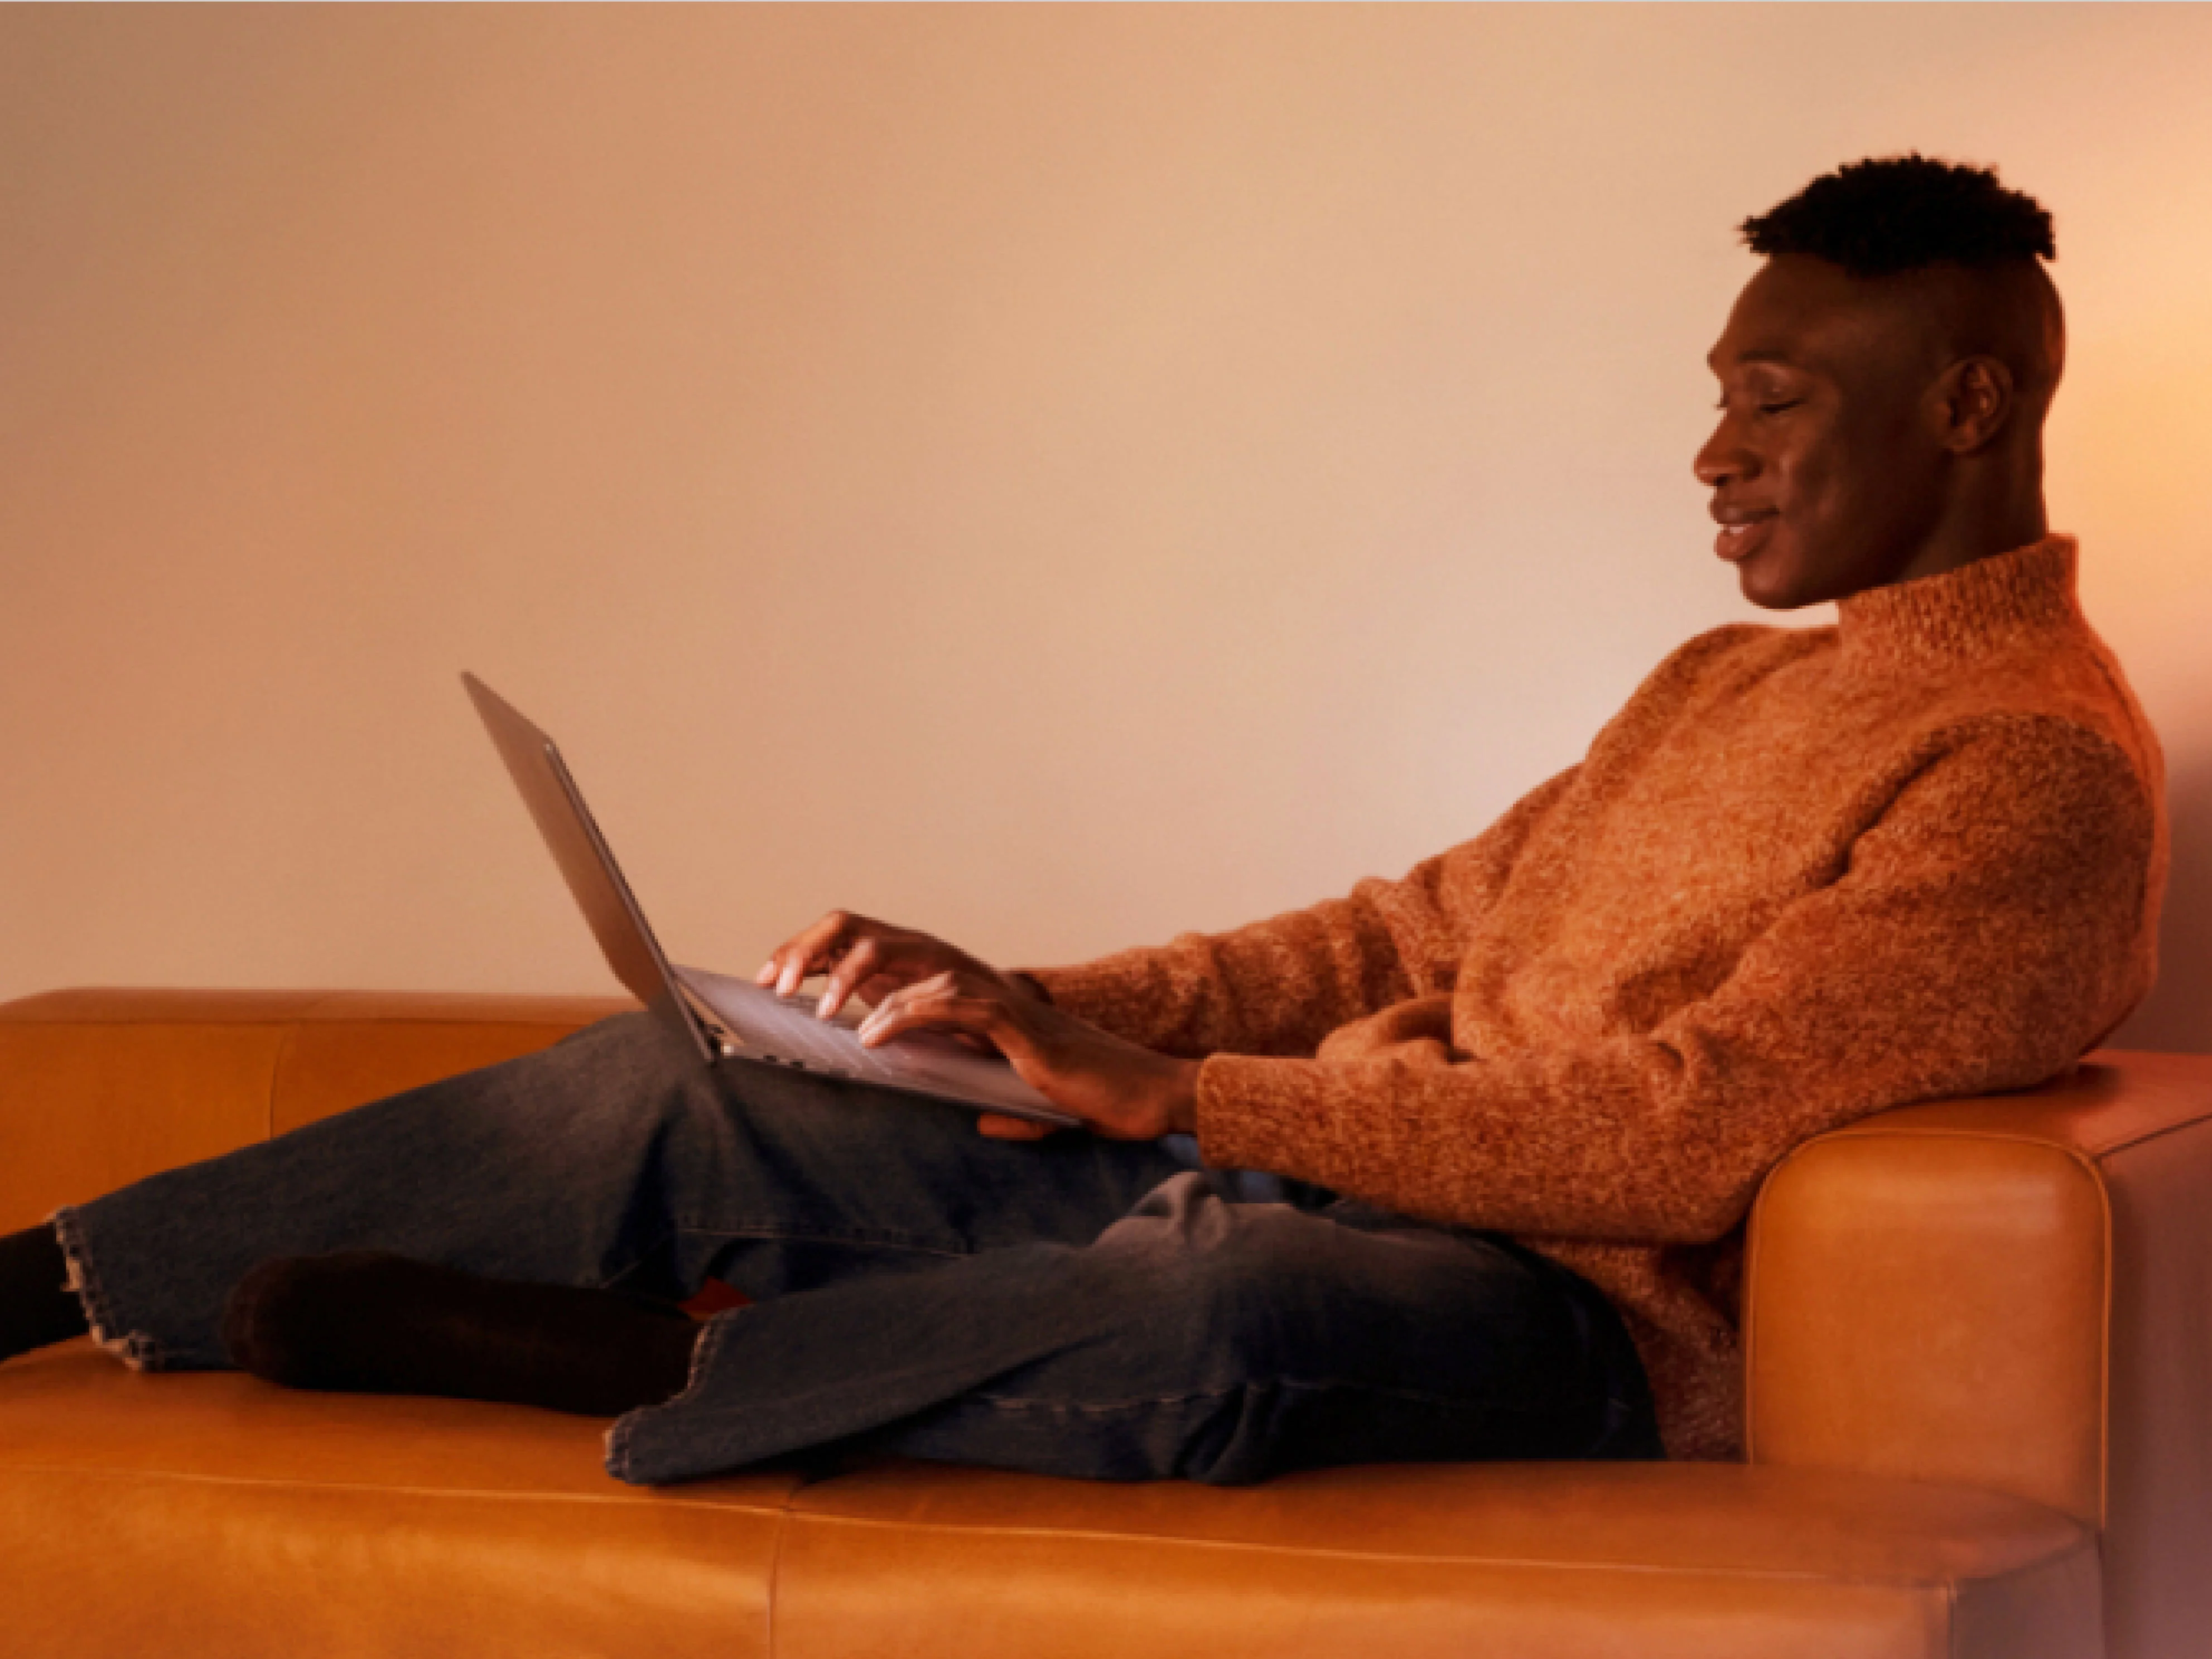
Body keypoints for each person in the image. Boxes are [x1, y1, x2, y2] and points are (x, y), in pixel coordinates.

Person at [0, 155, 2166, 1480]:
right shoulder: (1717, 681)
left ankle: (664, 1362)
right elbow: (1395, 934)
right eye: (1713, 394)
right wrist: (1020, 1004)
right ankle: (40, 1280)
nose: (1710, 450)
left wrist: (1185, 1102)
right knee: (682, 1091)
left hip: (1555, 1320)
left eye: (1767, 401)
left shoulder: (2030, 770)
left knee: (1221, 1325)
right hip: (1304, 1164)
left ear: (1967, 402)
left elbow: (1682, 1130)